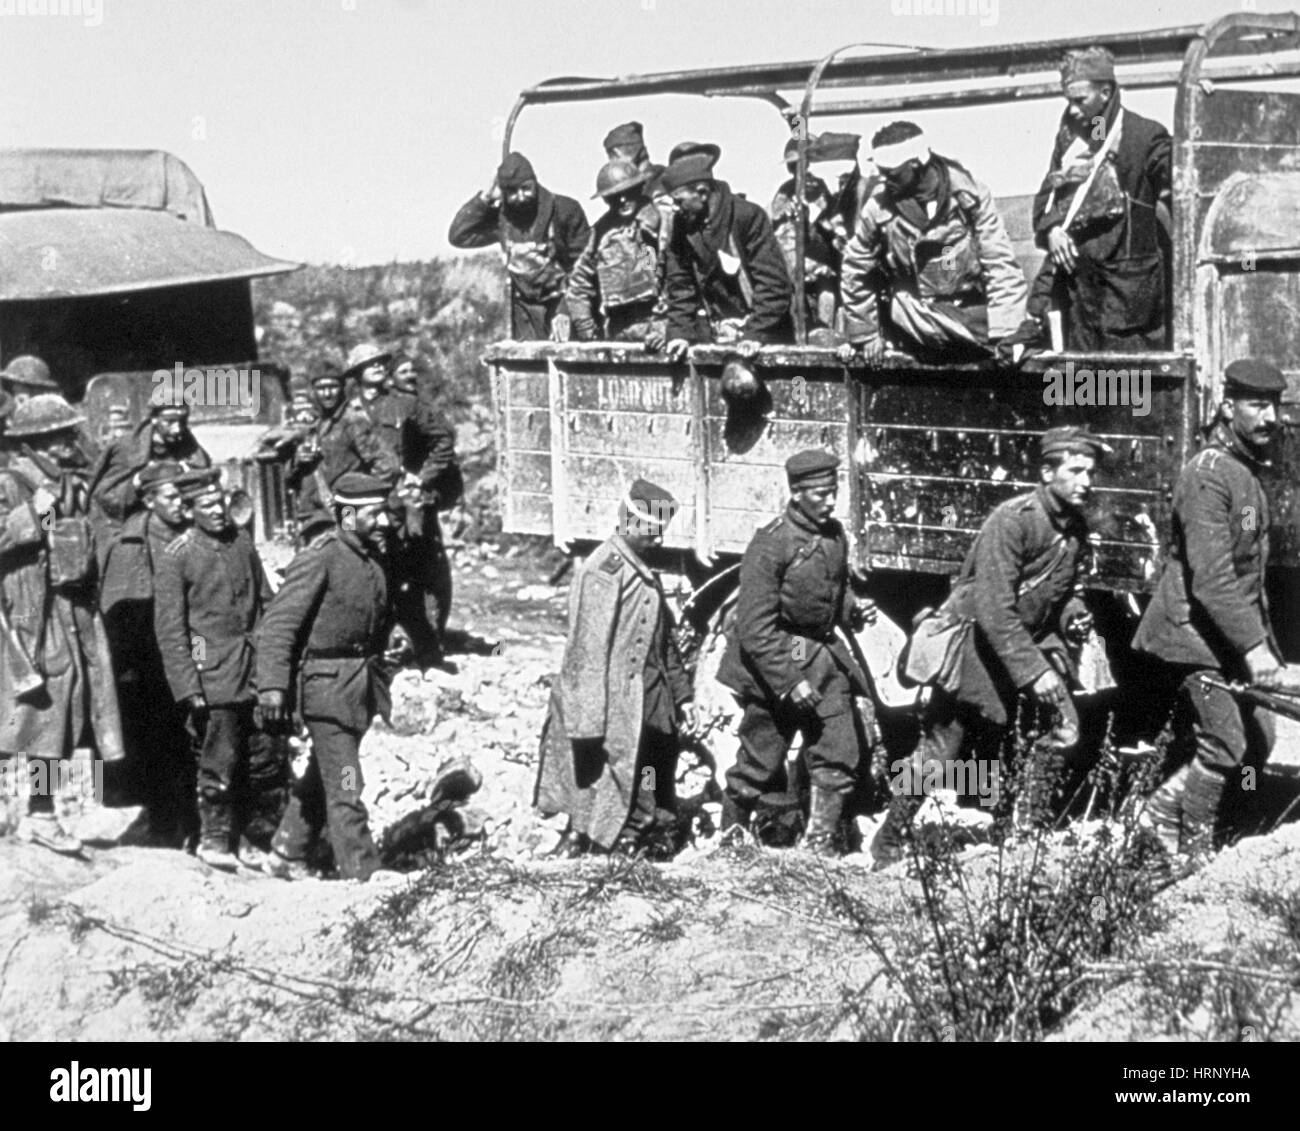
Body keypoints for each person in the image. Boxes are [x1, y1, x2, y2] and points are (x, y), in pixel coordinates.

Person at [871, 426, 1110, 866]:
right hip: (979, 648)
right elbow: (995, 609)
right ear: (1046, 471)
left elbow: (1062, 592)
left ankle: (1021, 834)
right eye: (1075, 471)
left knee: (1062, 728)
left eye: (1090, 472)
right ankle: (888, 838)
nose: (1086, 482)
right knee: (943, 747)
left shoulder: (1073, 529)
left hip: (1023, 645)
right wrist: (1034, 673)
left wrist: (1073, 615)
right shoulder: (1012, 520)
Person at [1134, 360, 1298, 859]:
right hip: (1189, 636)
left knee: (1258, 737)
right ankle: (1194, 851)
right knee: (1227, 741)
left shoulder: (1244, 476)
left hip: (1216, 637)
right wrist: (1258, 652)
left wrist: (1258, 643)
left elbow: (1247, 566)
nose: (1270, 418)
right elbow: (1213, 580)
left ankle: (1159, 814)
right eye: (1256, 406)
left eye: (1274, 406)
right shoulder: (1207, 477)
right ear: (1228, 408)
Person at [716, 450, 874, 855]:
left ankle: (819, 845)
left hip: (821, 661)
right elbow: (754, 629)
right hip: (774, 667)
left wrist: (852, 609)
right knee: (759, 761)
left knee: (840, 752)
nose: (830, 501)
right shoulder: (771, 544)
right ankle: (731, 840)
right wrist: (790, 682)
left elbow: (831, 594)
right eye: (820, 493)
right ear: (797, 493)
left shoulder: (834, 535)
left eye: (833, 491)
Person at [535, 479, 698, 857]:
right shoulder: (603, 571)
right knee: (612, 772)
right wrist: (588, 721)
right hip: (619, 700)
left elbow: (663, 641)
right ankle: (607, 836)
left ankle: (645, 827)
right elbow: (588, 652)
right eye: (652, 532)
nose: (658, 541)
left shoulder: (639, 569)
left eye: (661, 532)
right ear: (629, 522)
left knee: (653, 766)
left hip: (651, 695)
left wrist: (683, 697)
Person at [256, 472, 401, 881]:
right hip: (326, 690)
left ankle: (287, 851)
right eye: (374, 514)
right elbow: (278, 627)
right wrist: (272, 688)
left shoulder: (373, 558)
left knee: (328, 772)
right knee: (347, 781)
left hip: (358, 685)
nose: (385, 522)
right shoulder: (319, 558)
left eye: (385, 512)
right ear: (347, 515)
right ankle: (362, 873)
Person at [0, 394, 124, 855]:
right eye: (63, 436)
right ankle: (35, 814)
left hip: (68, 610)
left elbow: (53, 537)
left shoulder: (66, 486)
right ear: (39, 444)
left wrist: (48, 511)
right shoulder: (11, 484)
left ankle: (43, 810)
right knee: (37, 714)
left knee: (65, 709)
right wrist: (31, 511)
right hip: (31, 613)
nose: (73, 442)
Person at [154, 468, 285, 870]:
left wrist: (273, 666)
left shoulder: (241, 543)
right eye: (206, 506)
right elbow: (172, 629)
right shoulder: (177, 556)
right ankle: (214, 839)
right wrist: (189, 684)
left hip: (255, 671)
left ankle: (253, 838)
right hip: (214, 678)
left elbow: (265, 604)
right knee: (219, 763)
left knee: (264, 759)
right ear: (190, 510)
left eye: (221, 503)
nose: (218, 513)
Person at [1018, 46, 1172, 352]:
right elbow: (1047, 199)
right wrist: (1052, 230)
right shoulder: (1070, 141)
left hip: (1127, 296)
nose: (1073, 110)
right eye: (1068, 101)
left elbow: (1182, 182)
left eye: (1080, 100)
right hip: (1079, 294)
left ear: (1105, 92)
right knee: (1083, 390)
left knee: (1126, 390)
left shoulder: (1145, 137)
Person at [838, 121, 1027, 364]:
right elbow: (855, 268)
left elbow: (1000, 264)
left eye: (891, 174)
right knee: (902, 309)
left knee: (1011, 335)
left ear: (915, 165)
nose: (883, 180)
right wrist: (866, 333)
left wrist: (1007, 333)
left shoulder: (970, 197)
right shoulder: (878, 209)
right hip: (913, 315)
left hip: (968, 311)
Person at [100, 461, 194, 846]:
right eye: (171, 497)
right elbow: (122, 611)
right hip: (146, 665)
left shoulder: (193, 535)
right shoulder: (131, 543)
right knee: (156, 747)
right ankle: (161, 829)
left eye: (184, 497)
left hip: (184, 656)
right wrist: (132, 670)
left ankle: (193, 825)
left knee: (187, 746)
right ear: (149, 500)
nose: (181, 505)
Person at [662, 152, 794, 357]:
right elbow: (680, 283)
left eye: (679, 201)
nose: (673, 208)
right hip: (716, 328)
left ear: (702, 192)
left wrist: (756, 332)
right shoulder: (680, 224)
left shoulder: (747, 216)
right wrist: (679, 332)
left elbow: (773, 283)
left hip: (765, 328)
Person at [448, 151, 591, 341]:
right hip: (523, 313)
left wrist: (566, 310)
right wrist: (485, 198)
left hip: (563, 305)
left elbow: (584, 267)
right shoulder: (501, 219)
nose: (521, 197)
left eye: (526, 188)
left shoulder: (564, 210)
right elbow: (459, 236)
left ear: (535, 182)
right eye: (513, 192)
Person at [278, 370, 399, 537]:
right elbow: (289, 479)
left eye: (333, 387)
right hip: (313, 514)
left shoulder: (353, 422)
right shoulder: (313, 425)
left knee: (349, 554)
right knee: (316, 557)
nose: (327, 394)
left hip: (346, 510)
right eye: (321, 388)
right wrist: (298, 460)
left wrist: (363, 500)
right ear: (313, 391)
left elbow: (388, 466)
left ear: (343, 388)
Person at [770, 131, 868, 334]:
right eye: (794, 165)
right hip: (791, 254)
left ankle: (826, 329)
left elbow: (830, 218)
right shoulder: (785, 191)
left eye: (801, 164)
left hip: (818, 251)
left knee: (827, 288)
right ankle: (802, 330)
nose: (798, 169)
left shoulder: (818, 186)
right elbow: (776, 219)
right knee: (795, 293)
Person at [88, 400, 211, 558]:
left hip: (183, 522)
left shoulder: (191, 449)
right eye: (169, 422)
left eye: (182, 422)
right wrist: (137, 481)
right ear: (154, 419)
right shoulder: (127, 449)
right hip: (135, 524)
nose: (177, 429)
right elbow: (104, 497)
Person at [566, 159, 665, 345]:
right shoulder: (601, 234)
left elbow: (679, 278)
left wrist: (672, 330)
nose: (622, 200)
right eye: (614, 196)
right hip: (620, 330)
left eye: (628, 192)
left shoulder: (661, 221)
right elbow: (579, 285)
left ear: (639, 188)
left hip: (660, 325)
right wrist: (586, 327)